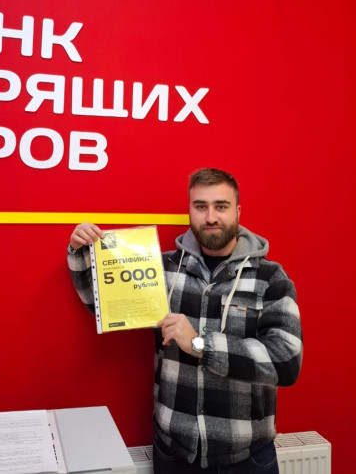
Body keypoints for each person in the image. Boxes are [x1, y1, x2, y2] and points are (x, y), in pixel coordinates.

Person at [67, 167, 303, 473]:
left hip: (246, 457)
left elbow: (287, 361)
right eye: (200, 206)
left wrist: (200, 345)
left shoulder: (271, 278)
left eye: (221, 206)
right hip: (174, 453)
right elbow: (103, 306)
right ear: (190, 210)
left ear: (238, 211)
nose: (211, 217)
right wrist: (81, 251)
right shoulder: (161, 269)